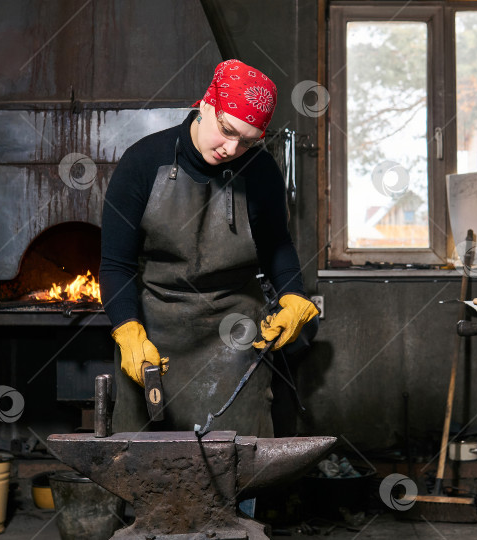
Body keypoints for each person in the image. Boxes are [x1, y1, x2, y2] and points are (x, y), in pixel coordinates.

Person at [99, 59, 319, 437]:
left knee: (236, 469)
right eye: (227, 130)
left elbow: (277, 247)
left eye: (248, 141)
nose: (232, 149)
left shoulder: (261, 171)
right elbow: (115, 263)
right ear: (206, 104)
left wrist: (294, 296)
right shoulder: (142, 161)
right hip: (155, 336)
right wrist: (127, 330)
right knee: (147, 469)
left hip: (235, 340)